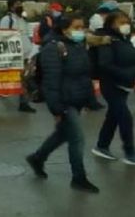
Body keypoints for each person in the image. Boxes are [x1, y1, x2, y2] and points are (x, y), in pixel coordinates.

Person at [25, 13, 100, 193]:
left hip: (77, 98)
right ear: (64, 29)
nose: (80, 31)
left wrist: (90, 99)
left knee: (62, 134)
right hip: (64, 101)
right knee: (77, 138)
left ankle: (37, 158)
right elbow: (51, 82)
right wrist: (57, 109)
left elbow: (84, 74)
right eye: (76, 27)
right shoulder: (53, 48)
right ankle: (78, 177)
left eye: (82, 27)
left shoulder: (78, 45)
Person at [92, 11, 135, 164]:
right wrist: (128, 74)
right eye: (121, 22)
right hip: (111, 84)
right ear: (111, 24)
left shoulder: (124, 39)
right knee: (125, 117)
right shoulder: (106, 40)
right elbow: (105, 64)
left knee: (113, 116)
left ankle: (101, 146)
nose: (125, 25)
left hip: (124, 85)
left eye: (127, 22)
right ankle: (130, 152)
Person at [0, 0, 36, 113]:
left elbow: (27, 35)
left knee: (24, 78)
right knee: (18, 77)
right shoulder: (6, 20)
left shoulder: (23, 20)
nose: (19, 6)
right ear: (11, 7)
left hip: (25, 54)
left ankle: (24, 103)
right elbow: (3, 36)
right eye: (16, 4)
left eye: (20, 4)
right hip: (13, 55)